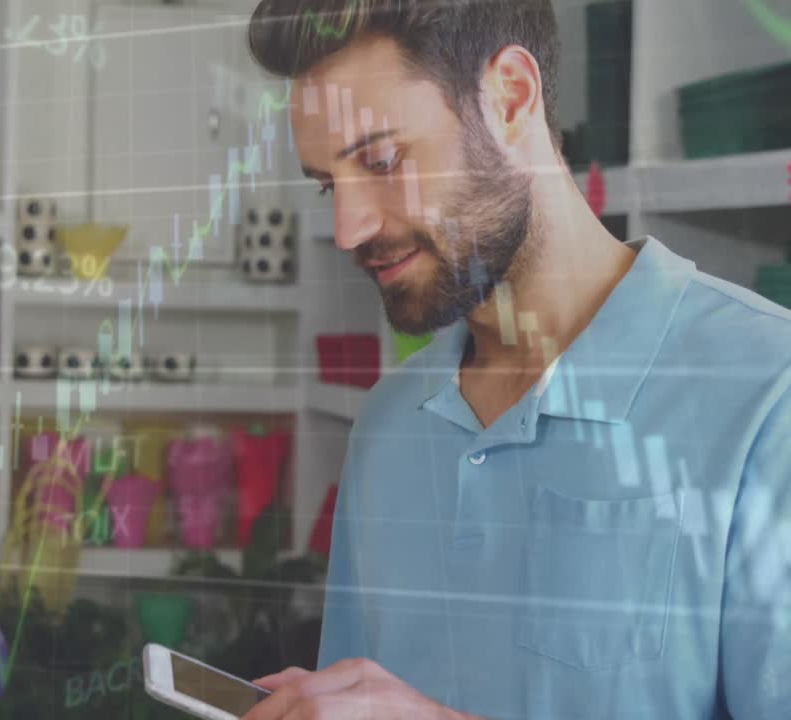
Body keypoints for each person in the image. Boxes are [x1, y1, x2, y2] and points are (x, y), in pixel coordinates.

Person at [241, 1, 791, 719]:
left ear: (510, 98)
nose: (350, 227)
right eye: (327, 184)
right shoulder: (386, 427)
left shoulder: (767, 393)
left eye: (382, 160)